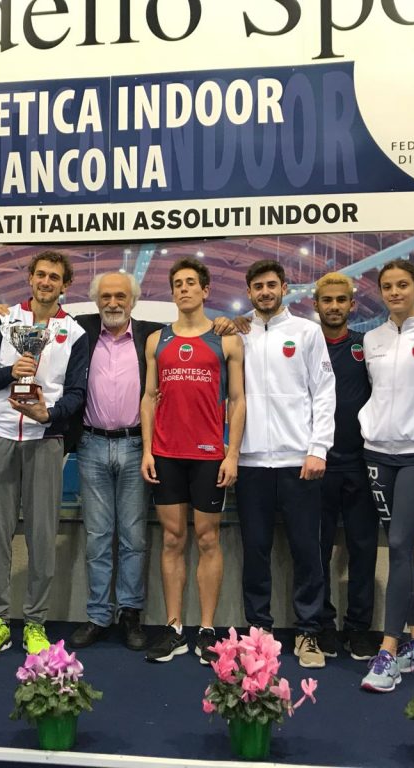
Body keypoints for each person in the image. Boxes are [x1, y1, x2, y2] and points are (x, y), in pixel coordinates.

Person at [0, 251, 89, 659]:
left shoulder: (74, 332)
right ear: (30, 277)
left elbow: (77, 393)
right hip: (0, 435)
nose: (46, 282)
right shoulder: (4, 322)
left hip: (46, 439)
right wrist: (12, 372)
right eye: (40, 274)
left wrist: (49, 414)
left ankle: (35, 622)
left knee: (41, 536)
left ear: (65, 285)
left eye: (54, 277)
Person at [141, 257, 246, 664]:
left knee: (207, 539)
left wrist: (232, 453)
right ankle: (173, 628)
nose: (184, 289)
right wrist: (147, 450)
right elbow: (149, 397)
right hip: (166, 454)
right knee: (172, 539)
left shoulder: (227, 340)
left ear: (205, 290)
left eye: (191, 283)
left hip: (208, 456)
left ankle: (205, 629)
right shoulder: (157, 340)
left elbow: (237, 400)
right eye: (178, 284)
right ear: (172, 293)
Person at [235, 260, 336, 669]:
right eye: (258, 286)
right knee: (255, 551)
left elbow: (324, 392)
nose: (265, 292)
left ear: (284, 288)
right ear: (249, 291)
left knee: (307, 550)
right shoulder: (237, 332)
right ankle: (258, 631)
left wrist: (318, 448)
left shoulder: (307, 332)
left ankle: (308, 631)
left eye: (271, 285)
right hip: (250, 462)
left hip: (299, 461)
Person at [358, 261, 414, 692]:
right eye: (387, 286)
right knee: (401, 547)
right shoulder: (372, 338)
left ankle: (388, 651)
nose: (394, 292)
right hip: (377, 453)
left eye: (402, 285)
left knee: (397, 544)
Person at [66, 272, 161, 651]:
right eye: (105, 296)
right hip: (91, 446)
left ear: (133, 300)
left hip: (136, 445)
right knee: (97, 536)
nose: (113, 303)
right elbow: (39, 321)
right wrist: (4, 315)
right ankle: (97, 615)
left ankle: (130, 613)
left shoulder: (152, 335)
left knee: (134, 537)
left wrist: (228, 324)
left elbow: (197, 333)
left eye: (120, 295)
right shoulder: (80, 330)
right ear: (96, 300)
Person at [312, 272, 382, 662]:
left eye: (341, 300)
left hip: (360, 462)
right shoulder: (307, 346)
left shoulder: (365, 345)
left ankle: (358, 628)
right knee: (317, 550)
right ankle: (322, 624)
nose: (334, 306)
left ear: (352, 304)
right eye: (328, 300)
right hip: (318, 464)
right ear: (316, 305)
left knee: (363, 549)